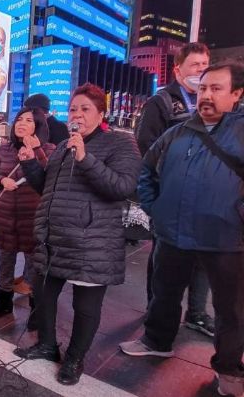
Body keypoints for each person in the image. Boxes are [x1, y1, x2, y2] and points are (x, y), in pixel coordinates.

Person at [120, 62, 244, 397]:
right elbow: (146, 169)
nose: (207, 95)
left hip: (226, 241)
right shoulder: (179, 130)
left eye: (216, 88)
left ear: (237, 94)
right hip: (173, 233)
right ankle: (157, 341)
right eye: (203, 88)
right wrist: (154, 208)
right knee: (164, 292)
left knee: (231, 310)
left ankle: (230, 369)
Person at [13, 84, 141, 386]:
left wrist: (86, 158)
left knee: (85, 307)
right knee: (43, 295)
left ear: (101, 113)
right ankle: (47, 345)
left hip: (92, 242)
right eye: (73, 109)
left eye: (85, 109)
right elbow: (46, 187)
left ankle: (74, 358)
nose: (78, 115)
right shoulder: (62, 148)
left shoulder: (120, 144)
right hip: (54, 238)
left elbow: (122, 187)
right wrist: (31, 162)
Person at [134, 42, 214, 336]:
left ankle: (197, 313)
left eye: (206, 64)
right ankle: (155, 309)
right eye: (196, 65)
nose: (202, 70)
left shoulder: (211, 101)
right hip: (170, 193)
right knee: (163, 255)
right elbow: (146, 145)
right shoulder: (163, 102)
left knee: (202, 255)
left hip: (205, 197)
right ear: (178, 69)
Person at [0, 107, 55, 320]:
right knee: (5, 260)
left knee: (33, 263)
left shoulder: (49, 149)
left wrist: (37, 152)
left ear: (38, 126)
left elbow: (49, 178)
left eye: (29, 120)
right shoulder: (4, 149)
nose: (22, 123)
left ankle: (35, 306)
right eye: (19, 119)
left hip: (32, 218)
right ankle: (3, 302)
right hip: (4, 217)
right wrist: (1, 180)